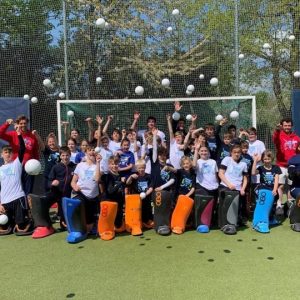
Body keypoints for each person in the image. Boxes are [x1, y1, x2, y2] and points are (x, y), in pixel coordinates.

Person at [29, 146, 76, 238]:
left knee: (64, 225)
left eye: (67, 155)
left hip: (66, 196)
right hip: (55, 193)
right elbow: (48, 182)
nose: (65, 157)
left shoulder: (74, 167)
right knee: (43, 203)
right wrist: (52, 183)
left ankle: (64, 222)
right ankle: (47, 225)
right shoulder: (56, 167)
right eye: (63, 155)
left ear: (70, 155)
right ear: (60, 156)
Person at [0, 127, 32, 235]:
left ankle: (23, 221)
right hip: (5, 201)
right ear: (1, 155)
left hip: (18, 198)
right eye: (5, 152)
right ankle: (12, 223)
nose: (8, 154)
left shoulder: (16, 164)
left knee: (22, 226)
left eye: (9, 152)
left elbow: (22, 149)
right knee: (3, 225)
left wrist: (19, 135)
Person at [0, 116, 39, 195]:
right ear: (17, 124)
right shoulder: (13, 134)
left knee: (28, 190)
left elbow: (35, 151)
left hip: (29, 167)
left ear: (27, 123)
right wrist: (6, 124)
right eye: (21, 123)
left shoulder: (32, 135)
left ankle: (27, 206)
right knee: (17, 189)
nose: (23, 125)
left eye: (25, 123)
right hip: (16, 166)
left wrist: (37, 163)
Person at [71, 144, 101, 233]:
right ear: (86, 152)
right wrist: (75, 187)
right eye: (89, 150)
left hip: (92, 197)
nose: (91, 152)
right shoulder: (80, 165)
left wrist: (98, 162)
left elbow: (97, 179)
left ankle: (91, 226)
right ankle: (76, 228)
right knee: (79, 204)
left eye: (93, 150)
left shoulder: (97, 166)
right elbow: (73, 182)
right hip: (81, 194)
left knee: (89, 227)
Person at [218, 144, 248, 234]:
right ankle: (223, 225)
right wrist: (229, 184)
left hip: (238, 189)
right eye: (234, 152)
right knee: (224, 207)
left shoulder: (244, 164)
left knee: (236, 208)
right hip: (225, 186)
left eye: (238, 152)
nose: (236, 154)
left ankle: (233, 224)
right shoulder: (227, 160)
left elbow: (245, 178)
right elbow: (220, 173)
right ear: (231, 153)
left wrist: (243, 189)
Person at [272, 118, 300, 210]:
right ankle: (279, 204)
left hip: (292, 166)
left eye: (289, 125)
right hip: (281, 165)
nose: (287, 127)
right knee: (281, 185)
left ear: (291, 126)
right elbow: (274, 138)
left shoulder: (296, 137)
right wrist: (277, 130)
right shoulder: (279, 135)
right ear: (282, 126)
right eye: (285, 125)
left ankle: (290, 203)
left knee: (291, 185)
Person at [252, 150, 281, 224]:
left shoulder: (276, 168)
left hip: (272, 188)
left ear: (272, 159)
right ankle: (259, 219)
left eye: (268, 159)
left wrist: (274, 190)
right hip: (263, 188)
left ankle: (271, 219)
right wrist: (255, 160)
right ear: (262, 159)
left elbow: (276, 180)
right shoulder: (261, 168)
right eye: (265, 159)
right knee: (262, 203)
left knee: (272, 204)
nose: (267, 161)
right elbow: (253, 173)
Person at [126, 159, 154, 228]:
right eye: (139, 168)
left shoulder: (148, 176)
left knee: (147, 209)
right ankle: (139, 222)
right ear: (136, 168)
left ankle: (147, 221)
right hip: (136, 199)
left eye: (143, 168)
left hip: (146, 198)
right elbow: (127, 183)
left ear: (145, 167)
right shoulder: (134, 176)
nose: (141, 169)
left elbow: (151, 188)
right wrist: (130, 177)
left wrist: (145, 194)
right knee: (137, 211)